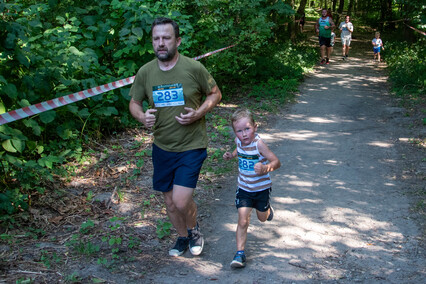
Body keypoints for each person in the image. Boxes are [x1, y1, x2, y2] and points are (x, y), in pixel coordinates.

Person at [129, 17, 222, 257]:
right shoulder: (146, 72)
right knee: (169, 202)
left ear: (177, 41)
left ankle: (194, 230)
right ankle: (182, 237)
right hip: (162, 146)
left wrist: (198, 113)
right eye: (156, 38)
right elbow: (134, 102)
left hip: (192, 145)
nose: (161, 43)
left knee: (181, 201)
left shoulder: (193, 68)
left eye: (166, 38)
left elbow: (215, 94)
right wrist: (142, 117)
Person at [223, 109, 281, 268]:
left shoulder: (259, 144)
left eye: (247, 129)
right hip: (244, 188)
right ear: (235, 132)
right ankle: (239, 254)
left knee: (262, 218)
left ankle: (268, 210)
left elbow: (276, 162)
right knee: (242, 220)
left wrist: (265, 168)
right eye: (239, 131)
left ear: (255, 127)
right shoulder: (238, 141)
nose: (244, 134)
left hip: (261, 188)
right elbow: (239, 150)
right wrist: (232, 156)